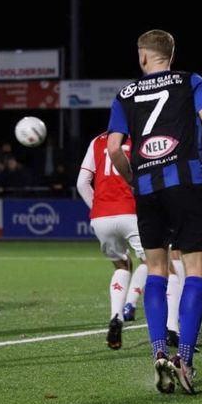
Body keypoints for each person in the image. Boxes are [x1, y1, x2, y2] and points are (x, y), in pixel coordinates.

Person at [106, 29, 202, 395]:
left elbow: (113, 149)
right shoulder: (191, 80)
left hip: (147, 189)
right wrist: (201, 162)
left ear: (142, 56)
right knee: (195, 269)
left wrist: (132, 179)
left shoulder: (125, 94)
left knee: (155, 269)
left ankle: (158, 350)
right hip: (186, 183)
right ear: (170, 53)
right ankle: (184, 359)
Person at [77, 131, 150, 350]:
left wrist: (97, 209)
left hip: (101, 217)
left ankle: (116, 316)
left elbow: (82, 183)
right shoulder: (141, 138)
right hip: (131, 212)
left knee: (121, 264)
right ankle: (133, 305)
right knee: (153, 262)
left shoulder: (97, 140)